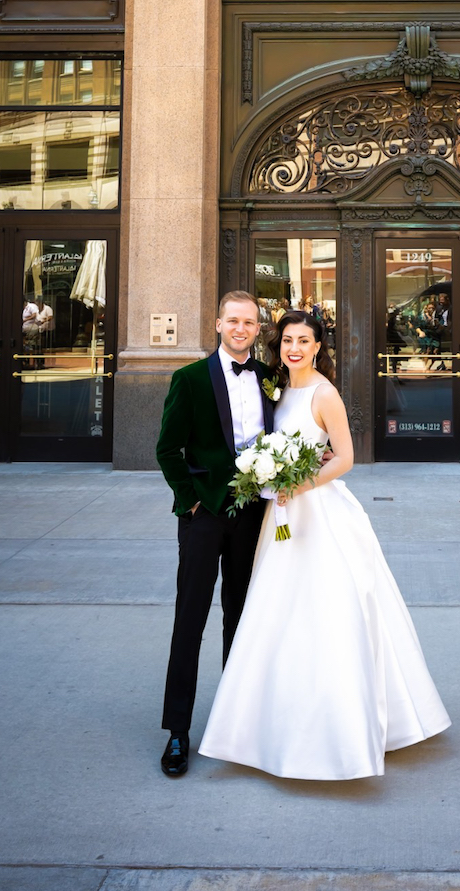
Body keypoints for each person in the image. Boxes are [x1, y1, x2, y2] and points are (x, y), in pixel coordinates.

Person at [199, 310, 451, 780]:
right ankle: (267, 724)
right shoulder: (277, 388)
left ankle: (340, 731)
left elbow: (348, 457)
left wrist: (301, 484)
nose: (294, 348)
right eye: (287, 340)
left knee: (328, 611)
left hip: (318, 511)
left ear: (318, 347)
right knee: (277, 610)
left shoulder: (324, 392)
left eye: (304, 341)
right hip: (281, 514)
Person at [156, 290, 277, 778]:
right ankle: (178, 731)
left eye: (249, 322)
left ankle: (235, 726)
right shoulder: (188, 379)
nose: (241, 329)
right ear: (219, 324)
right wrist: (193, 501)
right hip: (204, 517)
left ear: (258, 328)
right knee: (190, 620)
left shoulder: (271, 379)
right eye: (233, 321)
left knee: (241, 620)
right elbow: (167, 449)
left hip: (253, 517)